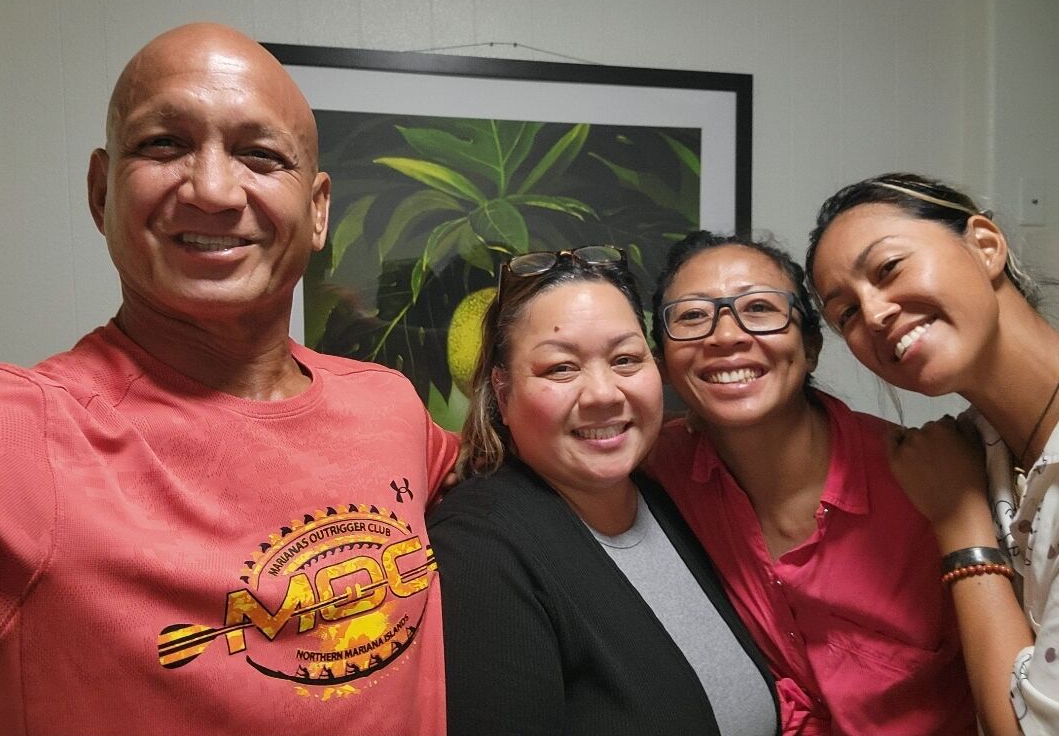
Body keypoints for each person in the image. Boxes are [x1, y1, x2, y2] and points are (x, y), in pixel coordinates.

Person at [0, 23, 458, 735]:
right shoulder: (13, 431)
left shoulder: (387, 403)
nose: (211, 189)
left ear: (318, 209)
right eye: (163, 145)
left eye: (261, 156)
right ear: (99, 190)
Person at [428, 245, 780, 735]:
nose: (603, 394)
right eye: (561, 368)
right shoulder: (479, 547)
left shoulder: (659, 497)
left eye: (625, 359)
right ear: (503, 394)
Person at [646, 229, 978, 735]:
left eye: (759, 308)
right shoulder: (651, 475)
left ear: (812, 346)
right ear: (666, 364)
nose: (726, 335)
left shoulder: (924, 479)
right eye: (691, 316)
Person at [805, 172, 1059, 736]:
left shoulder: (955, 487)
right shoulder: (975, 450)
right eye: (845, 313)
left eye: (889, 269)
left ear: (986, 246)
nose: (873, 315)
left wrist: (960, 524)